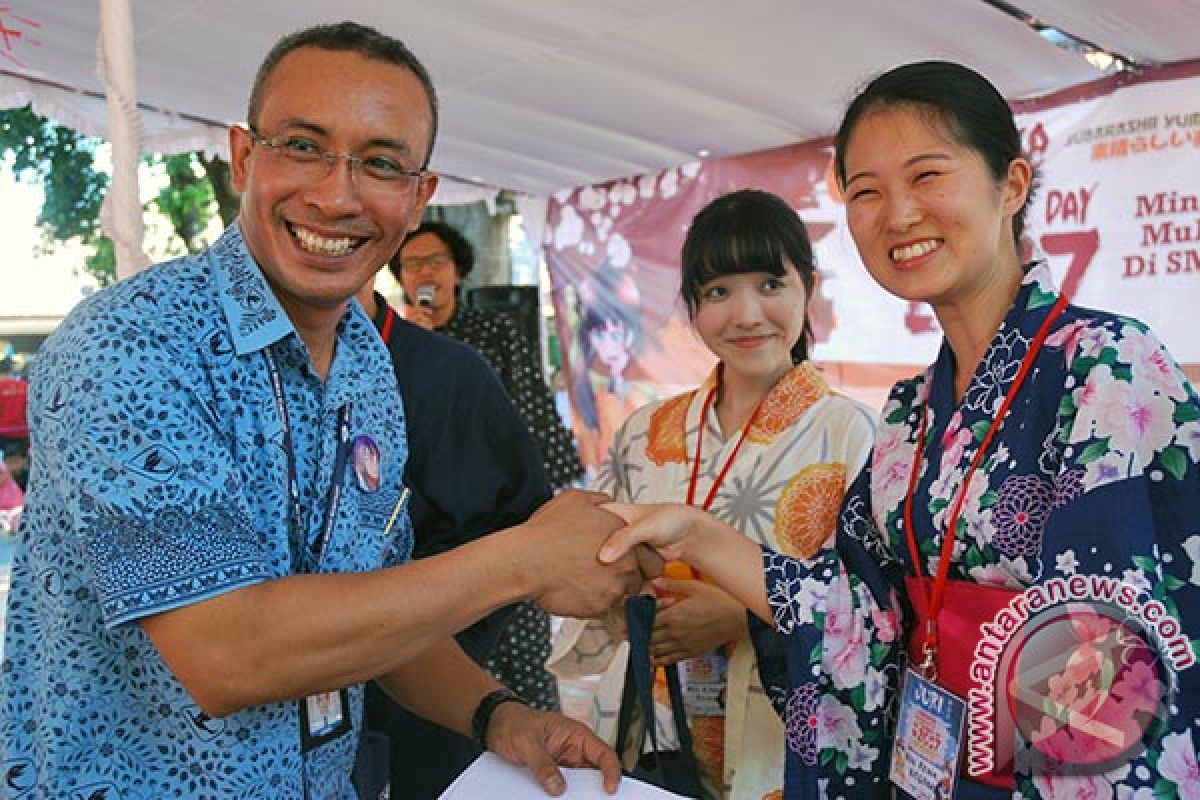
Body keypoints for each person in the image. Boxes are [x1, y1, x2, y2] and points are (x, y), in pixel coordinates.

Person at [0, 22, 659, 799]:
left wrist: (495, 713)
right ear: (245, 156)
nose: (337, 194)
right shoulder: (130, 344)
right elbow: (228, 653)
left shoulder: (366, 361)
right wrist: (522, 561)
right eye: (303, 146)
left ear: (418, 198)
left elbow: (375, 604)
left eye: (380, 164)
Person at [597, 61, 1200, 800]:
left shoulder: (1107, 367)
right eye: (866, 192)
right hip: (925, 771)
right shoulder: (912, 408)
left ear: (1011, 185)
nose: (899, 215)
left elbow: (1108, 646)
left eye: (927, 176)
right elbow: (861, 608)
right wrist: (693, 535)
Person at [551, 190, 876, 799]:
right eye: (719, 292)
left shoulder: (851, 434)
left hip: (779, 735)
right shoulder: (647, 433)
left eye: (770, 284)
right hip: (659, 718)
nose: (747, 314)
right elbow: (596, 563)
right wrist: (632, 603)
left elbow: (873, 609)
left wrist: (743, 617)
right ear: (693, 306)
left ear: (808, 287)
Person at [355, 282, 555, 798]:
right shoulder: (188, 361)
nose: (335, 202)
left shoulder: (451, 371)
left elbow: (520, 518)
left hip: (433, 690)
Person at [393, 220, 583, 712]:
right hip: (436, 533)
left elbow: (530, 407)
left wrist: (547, 498)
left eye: (435, 262)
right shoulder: (391, 342)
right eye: (412, 265)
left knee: (523, 652)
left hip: (502, 516)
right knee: (454, 676)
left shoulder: (492, 331)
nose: (424, 273)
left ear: (457, 272)